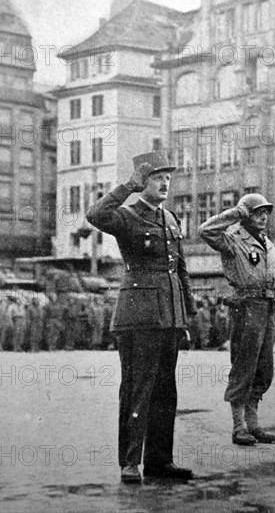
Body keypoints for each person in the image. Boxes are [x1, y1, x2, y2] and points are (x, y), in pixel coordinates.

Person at [86, 151, 196, 483]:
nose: (164, 183)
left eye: (167, 178)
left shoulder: (171, 219)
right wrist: (126, 187)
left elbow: (181, 271)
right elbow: (95, 214)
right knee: (138, 389)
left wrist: (186, 316)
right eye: (156, 178)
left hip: (169, 317)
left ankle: (160, 461)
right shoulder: (127, 215)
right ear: (142, 182)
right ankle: (130, 461)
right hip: (139, 316)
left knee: (166, 391)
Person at [199, 193, 275, 446]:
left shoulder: (266, 242)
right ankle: (238, 426)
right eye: (257, 212)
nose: (264, 216)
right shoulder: (233, 239)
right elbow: (205, 230)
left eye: (266, 212)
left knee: (264, 367)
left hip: (267, 306)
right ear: (246, 214)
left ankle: (253, 424)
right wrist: (235, 213)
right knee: (244, 365)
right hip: (245, 305)